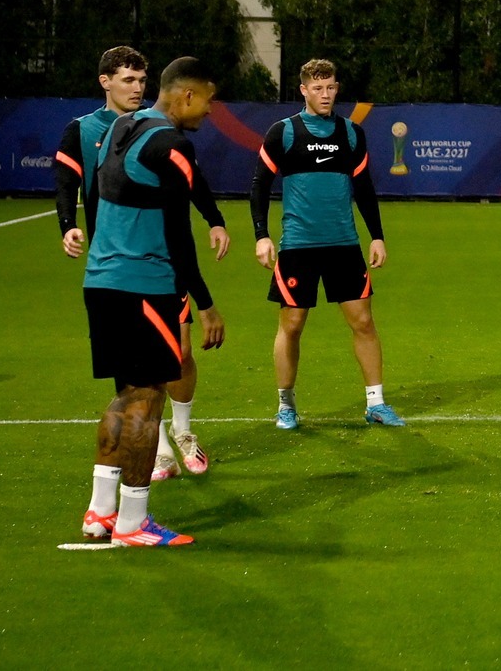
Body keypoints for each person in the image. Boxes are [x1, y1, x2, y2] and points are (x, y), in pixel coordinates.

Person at [56, 46, 230, 481]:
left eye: (141, 79)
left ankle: (103, 505)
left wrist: (214, 218)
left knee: (130, 393)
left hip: (104, 278)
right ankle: (136, 506)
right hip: (148, 278)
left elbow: (184, 188)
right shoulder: (162, 142)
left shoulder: (123, 129)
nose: (210, 111)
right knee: (146, 398)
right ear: (188, 96)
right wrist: (206, 303)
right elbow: (177, 234)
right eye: (208, 101)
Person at [251, 58, 404, 430]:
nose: (325, 94)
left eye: (331, 87)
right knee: (292, 325)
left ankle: (376, 403)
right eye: (317, 88)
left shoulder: (351, 133)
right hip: (298, 246)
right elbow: (260, 186)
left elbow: (363, 187)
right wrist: (261, 235)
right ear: (303, 90)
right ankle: (286, 405)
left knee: (363, 321)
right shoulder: (283, 132)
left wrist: (377, 235)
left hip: (344, 245)